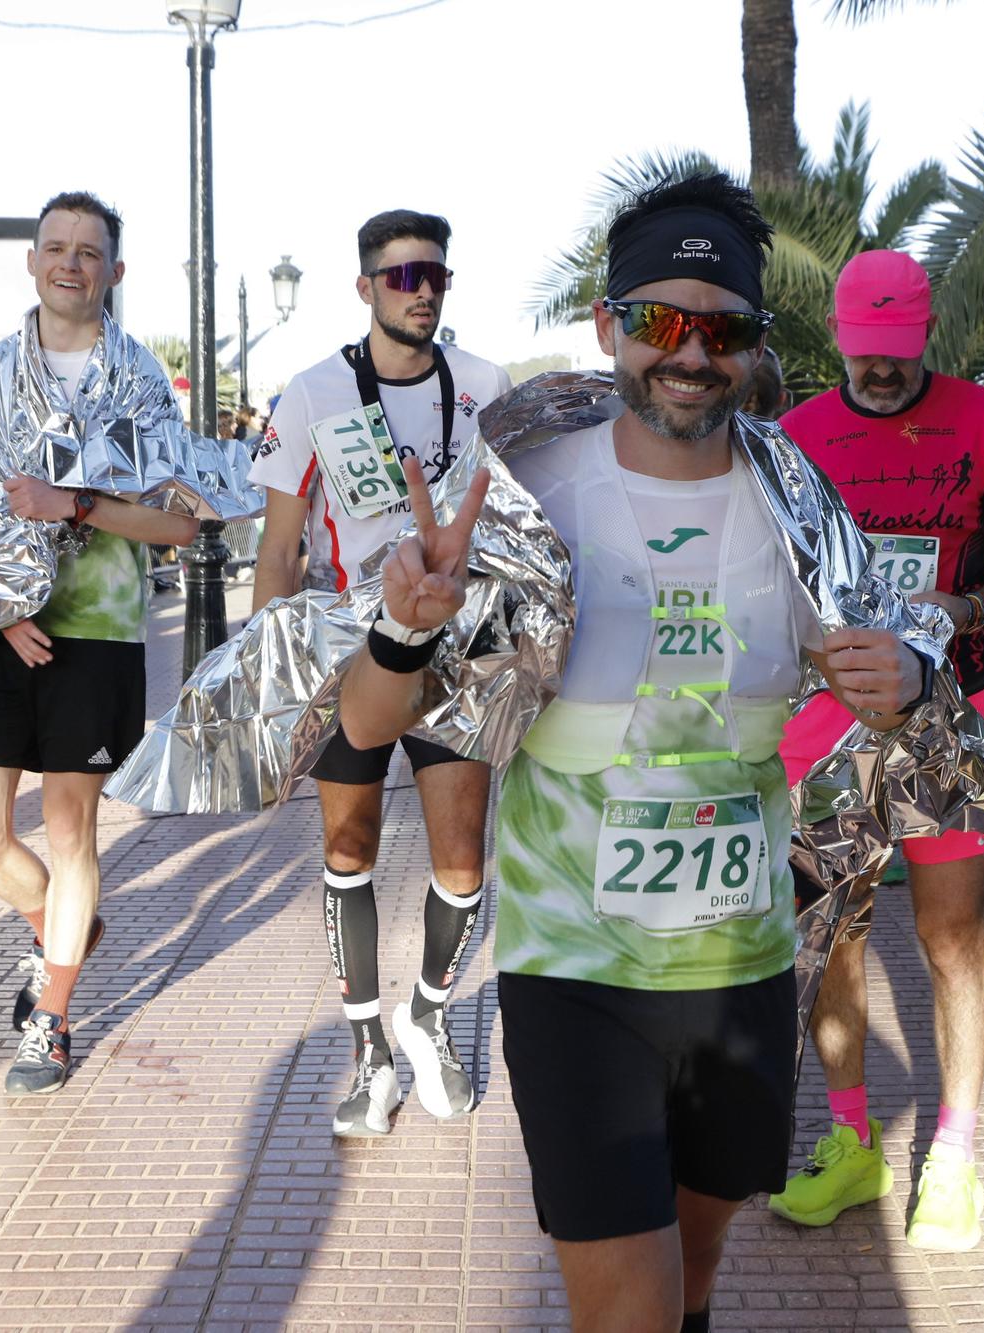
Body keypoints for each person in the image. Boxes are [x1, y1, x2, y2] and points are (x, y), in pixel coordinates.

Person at [333, 172, 946, 1332]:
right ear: (607, 326)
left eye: (720, 330)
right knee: (628, 1309)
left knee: (693, 1283)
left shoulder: (794, 498)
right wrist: (404, 623)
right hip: (577, 979)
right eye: (659, 321)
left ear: (755, 350)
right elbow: (367, 726)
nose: (689, 353)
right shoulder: (525, 494)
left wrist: (907, 677)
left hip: (743, 977)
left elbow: (900, 666)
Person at [768, 248, 984, 1252]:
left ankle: (955, 1151)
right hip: (824, 721)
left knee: (949, 938)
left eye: (897, 351)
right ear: (839, 337)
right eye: (864, 352)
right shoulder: (792, 437)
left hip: (949, 710)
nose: (880, 371)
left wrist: (963, 603)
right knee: (828, 934)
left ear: (924, 333)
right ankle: (848, 1144)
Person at [248, 209, 513, 1136]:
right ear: (364, 289)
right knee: (349, 851)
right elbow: (279, 551)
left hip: (463, 649)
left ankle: (429, 1021)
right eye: (402, 277)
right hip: (352, 653)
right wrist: (272, 695)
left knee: (463, 860)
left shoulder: (485, 385)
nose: (423, 290)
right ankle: (370, 1054)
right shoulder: (313, 392)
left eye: (435, 274)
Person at [0, 191, 200, 1096]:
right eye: (57, 246)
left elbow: (180, 528)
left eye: (91, 251)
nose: (72, 263)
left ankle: (51, 1017)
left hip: (98, 635)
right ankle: (64, 928)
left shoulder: (140, 383)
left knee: (68, 827)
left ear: (115, 272)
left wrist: (75, 504)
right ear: (32, 260)